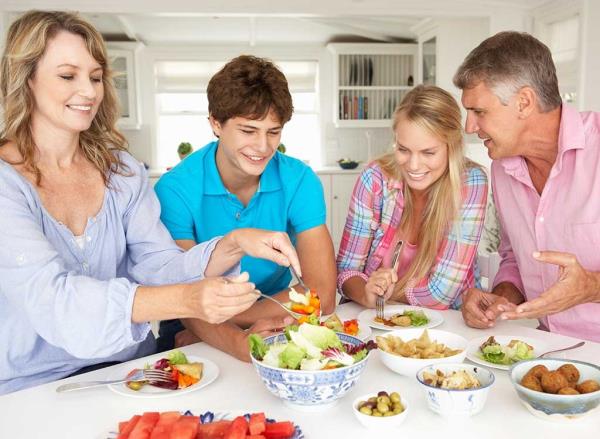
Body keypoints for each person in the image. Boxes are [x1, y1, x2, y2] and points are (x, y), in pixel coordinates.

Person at [0, 11, 302, 394]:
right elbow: (55, 301)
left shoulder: (121, 171)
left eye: (96, 77)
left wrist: (234, 243)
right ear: (25, 78)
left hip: (135, 372)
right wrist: (189, 299)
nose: (89, 91)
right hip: (30, 388)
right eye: (67, 76)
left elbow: (158, 264)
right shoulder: (6, 183)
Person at [154, 55, 336, 360]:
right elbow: (182, 292)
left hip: (267, 314)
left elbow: (323, 295)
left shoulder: (299, 180)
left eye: (273, 132)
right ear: (216, 123)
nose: (263, 147)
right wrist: (233, 339)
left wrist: (225, 322)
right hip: (192, 321)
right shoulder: (174, 189)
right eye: (248, 131)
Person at [454, 31, 600, 342]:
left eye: (479, 111)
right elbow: (515, 258)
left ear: (524, 102)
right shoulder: (502, 168)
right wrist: (500, 297)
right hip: (547, 347)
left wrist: (591, 287)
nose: (469, 126)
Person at [336, 85, 488, 310]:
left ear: (452, 146)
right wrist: (366, 294)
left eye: (428, 152)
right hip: (374, 320)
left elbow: (440, 295)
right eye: (403, 150)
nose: (413, 166)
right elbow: (346, 269)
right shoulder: (375, 179)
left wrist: (382, 295)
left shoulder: (471, 183)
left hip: (448, 325)